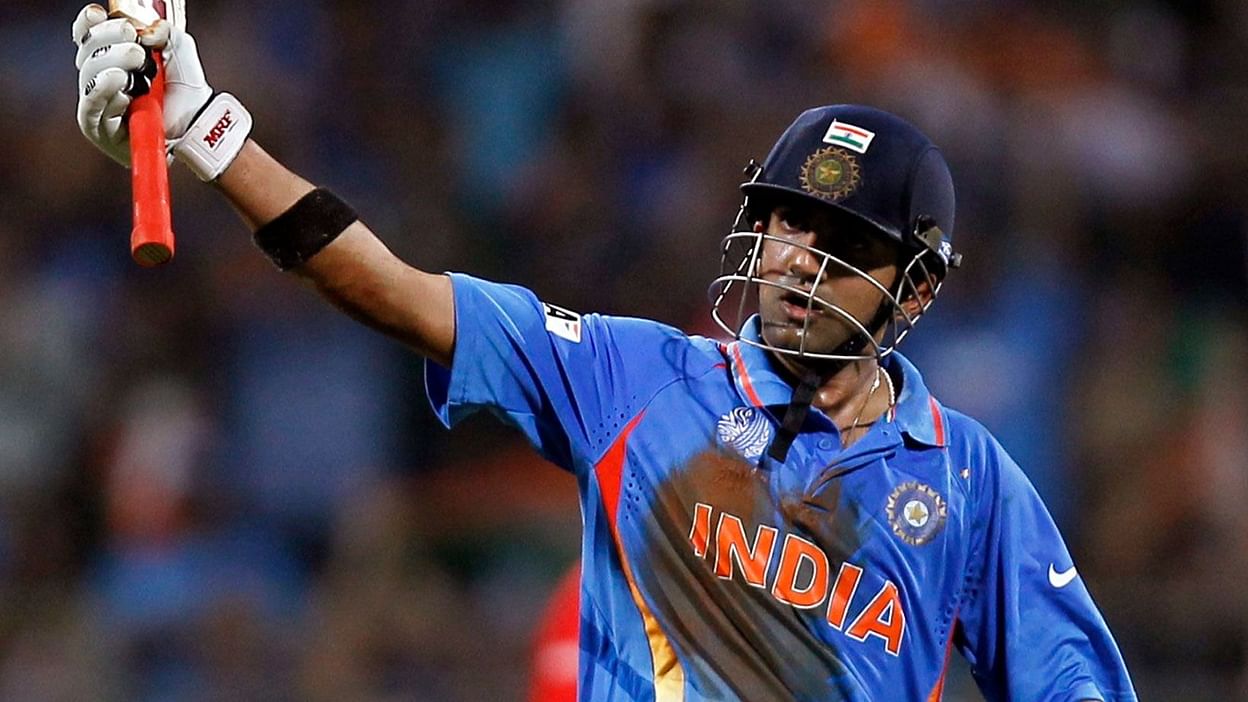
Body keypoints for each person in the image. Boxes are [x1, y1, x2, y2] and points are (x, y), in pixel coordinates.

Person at [71, 6, 1138, 700]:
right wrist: (208, 133)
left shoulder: (970, 484)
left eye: (843, 244)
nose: (797, 261)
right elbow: (390, 288)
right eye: (786, 223)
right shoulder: (636, 376)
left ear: (917, 288)